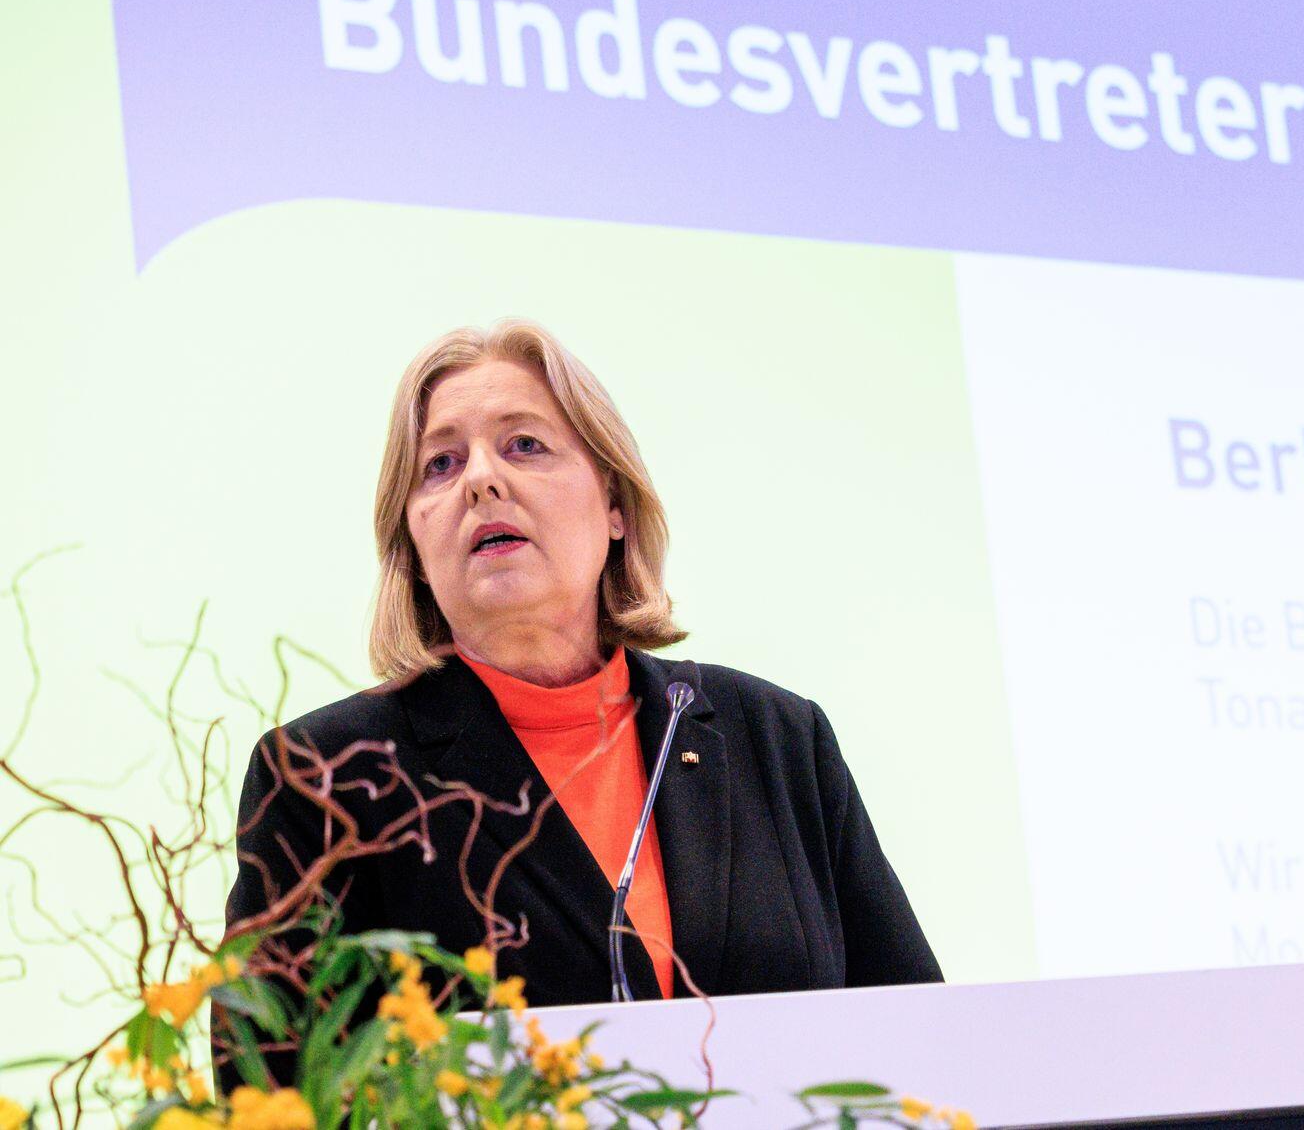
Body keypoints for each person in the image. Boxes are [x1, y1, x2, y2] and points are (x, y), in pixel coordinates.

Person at [225, 318, 941, 1014]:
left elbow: (923, 1035)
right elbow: (272, 1075)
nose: (481, 480)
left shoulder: (777, 739)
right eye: (440, 464)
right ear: (411, 544)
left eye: (525, 445)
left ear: (615, 505)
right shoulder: (326, 779)